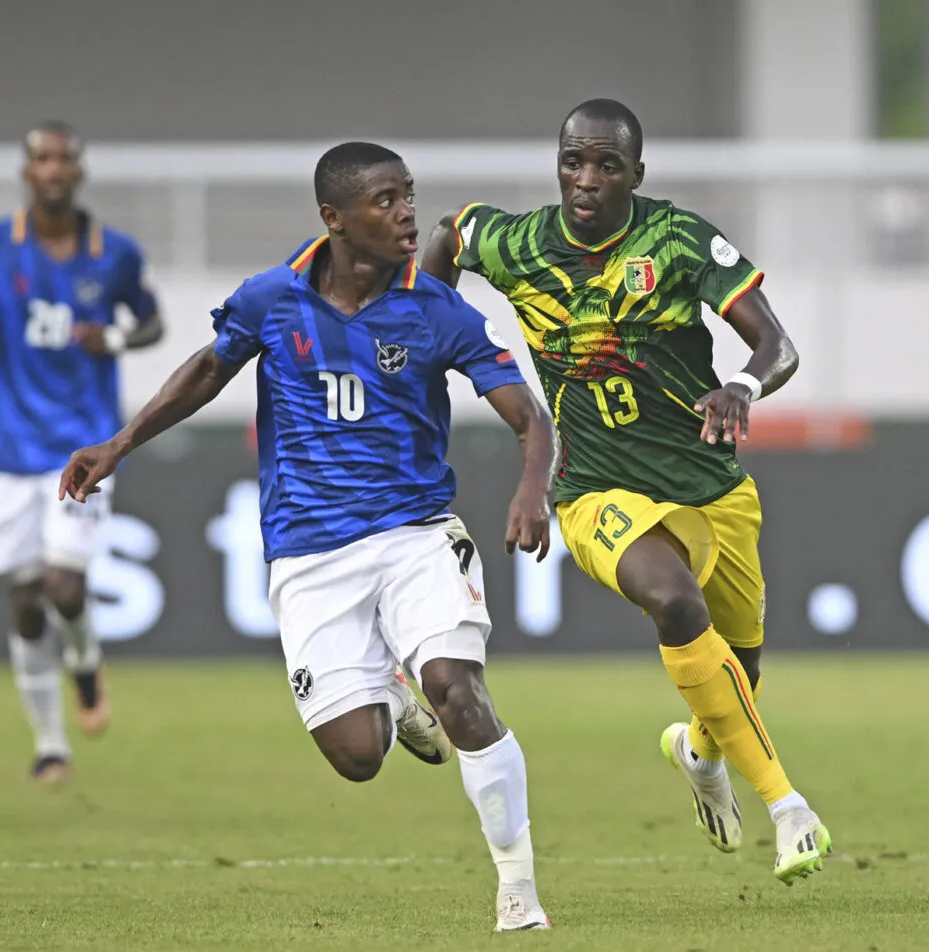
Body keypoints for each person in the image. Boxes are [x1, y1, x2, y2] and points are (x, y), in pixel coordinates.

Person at [61, 142, 557, 932]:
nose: (407, 214)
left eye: (410, 196)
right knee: (358, 757)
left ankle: (518, 890)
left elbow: (529, 415)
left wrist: (534, 488)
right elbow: (206, 368)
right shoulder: (271, 298)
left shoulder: (435, 308)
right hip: (308, 551)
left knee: (459, 691)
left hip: (415, 532)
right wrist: (119, 443)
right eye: (386, 201)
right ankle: (393, 694)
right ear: (335, 219)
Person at [420, 99, 831, 885]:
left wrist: (741, 385)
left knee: (738, 671)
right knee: (675, 601)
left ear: (635, 175)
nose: (586, 179)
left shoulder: (675, 239)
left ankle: (698, 751)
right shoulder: (521, 242)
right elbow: (450, 231)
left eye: (607, 165)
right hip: (595, 489)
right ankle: (789, 809)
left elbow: (776, 343)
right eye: (574, 161)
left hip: (708, 485)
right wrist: (428, 328)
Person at [0, 120, 164, 783]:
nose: (53, 169)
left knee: (65, 583)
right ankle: (50, 742)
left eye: (64, 159)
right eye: (42, 159)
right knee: (26, 600)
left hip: (81, 447)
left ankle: (84, 667)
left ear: (79, 171)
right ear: (27, 172)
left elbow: (153, 321)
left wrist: (110, 339)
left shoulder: (115, 253)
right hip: (5, 452)